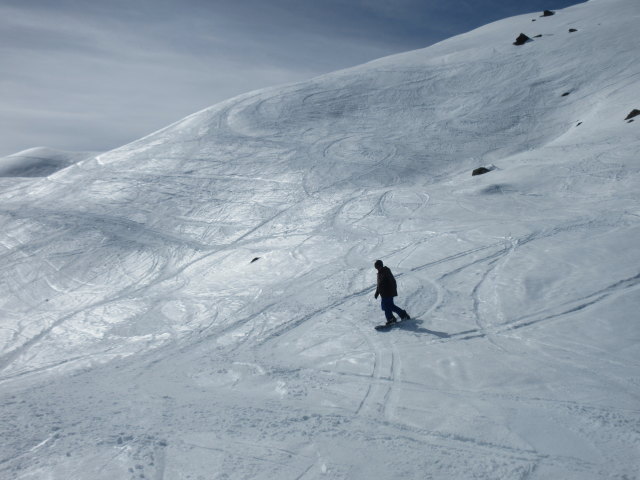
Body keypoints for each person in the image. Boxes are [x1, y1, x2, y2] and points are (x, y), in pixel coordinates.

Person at [374, 260, 410, 325]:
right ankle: (391, 318)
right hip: (383, 294)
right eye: (376, 267)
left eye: (377, 267)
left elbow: (393, 282)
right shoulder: (380, 273)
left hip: (388, 293)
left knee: (389, 306)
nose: (377, 269)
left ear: (380, 266)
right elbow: (379, 284)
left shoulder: (386, 271)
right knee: (386, 306)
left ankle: (401, 315)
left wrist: (391, 291)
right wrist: (377, 292)